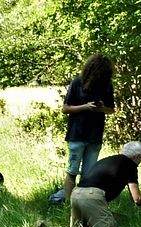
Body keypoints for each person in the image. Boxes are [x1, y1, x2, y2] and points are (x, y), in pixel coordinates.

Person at [67, 141, 141, 227]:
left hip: (76, 193)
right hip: (92, 196)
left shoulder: (107, 160)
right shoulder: (130, 165)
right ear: (138, 156)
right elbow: (137, 199)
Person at [57, 54, 116, 206]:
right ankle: (69, 204)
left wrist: (101, 108)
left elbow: (111, 110)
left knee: (88, 175)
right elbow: (66, 108)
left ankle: (82, 205)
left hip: (95, 136)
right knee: (72, 172)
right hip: (77, 135)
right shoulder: (77, 83)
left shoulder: (107, 86)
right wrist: (86, 107)